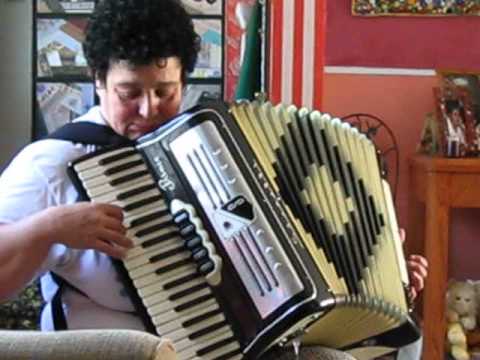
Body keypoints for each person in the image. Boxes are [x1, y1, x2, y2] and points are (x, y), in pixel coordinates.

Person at [0, 0, 427, 358]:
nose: (148, 111)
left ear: (183, 81)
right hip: (124, 348)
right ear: (98, 81)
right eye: (130, 93)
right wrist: (48, 227)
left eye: (165, 92)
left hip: (233, 341)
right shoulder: (54, 163)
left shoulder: (211, 149)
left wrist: (386, 274)